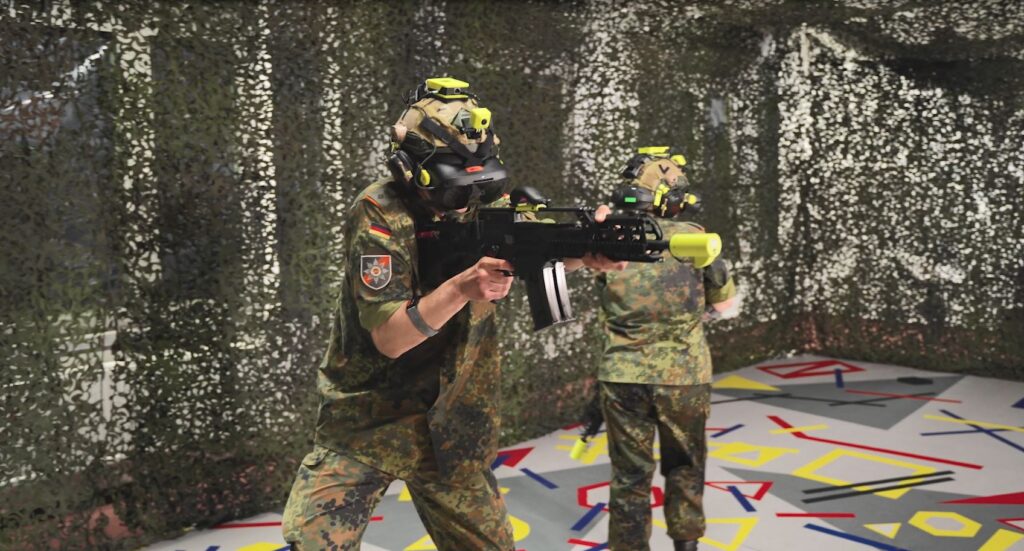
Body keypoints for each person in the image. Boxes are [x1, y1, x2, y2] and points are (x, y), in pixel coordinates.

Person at [281, 77, 625, 551]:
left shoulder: (487, 202)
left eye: (478, 182)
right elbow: (390, 339)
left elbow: (539, 243)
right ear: (411, 169)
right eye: (454, 188)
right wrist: (462, 287)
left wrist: (587, 248)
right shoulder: (379, 213)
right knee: (314, 543)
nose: (465, 201)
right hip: (369, 417)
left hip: (453, 424)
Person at [595, 147, 737, 551]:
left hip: (622, 375)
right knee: (686, 465)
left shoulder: (611, 237)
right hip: (683, 375)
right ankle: (686, 544)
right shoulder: (694, 237)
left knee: (629, 477)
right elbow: (725, 305)